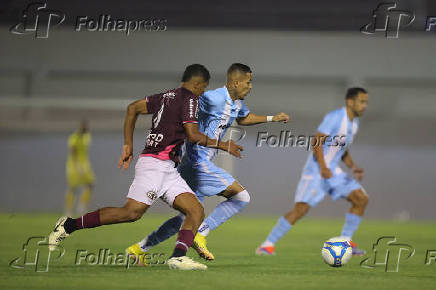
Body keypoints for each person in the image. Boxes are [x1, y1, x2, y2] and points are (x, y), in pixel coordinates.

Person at [48, 64, 243, 270]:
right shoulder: (190, 99)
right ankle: (68, 225)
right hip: (154, 165)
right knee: (131, 213)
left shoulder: (165, 96)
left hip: (167, 167)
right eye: (203, 88)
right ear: (196, 84)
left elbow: (133, 108)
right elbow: (193, 135)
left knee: (195, 210)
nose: (203, 92)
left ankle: (177, 257)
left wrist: (128, 145)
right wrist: (223, 144)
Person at [126, 63, 290, 262]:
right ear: (236, 82)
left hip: (190, 163)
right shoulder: (213, 97)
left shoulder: (236, 103)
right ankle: (201, 233)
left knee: (187, 217)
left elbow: (244, 119)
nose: (250, 86)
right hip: (197, 161)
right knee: (241, 197)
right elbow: (186, 102)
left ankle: (139, 249)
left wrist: (273, 118)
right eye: (248, 82)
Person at [256, 87, 369, 256]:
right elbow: (316, 142)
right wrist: (323, 167)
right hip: (317, 170)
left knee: (361, 199)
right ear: (350, 101)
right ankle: (267, 245)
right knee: (301, 210)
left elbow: (341, 148)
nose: (364, 106)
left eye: (366, 102)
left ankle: (346, 242)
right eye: (361, 101)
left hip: (332, 171)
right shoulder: (336, 117)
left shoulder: (354, 123)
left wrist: (353, 166)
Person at [65, 119, 94, 216]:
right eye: (84, 126)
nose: (86, 128)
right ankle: (69, 210)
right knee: (73, 187)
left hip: (84, 165)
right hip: (74, 165)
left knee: (90, 184)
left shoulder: (87, 137)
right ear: (81, 127)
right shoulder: (74, 137)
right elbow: (73, 151)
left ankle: (81, 206)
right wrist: (77, 165)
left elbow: (85, 150)